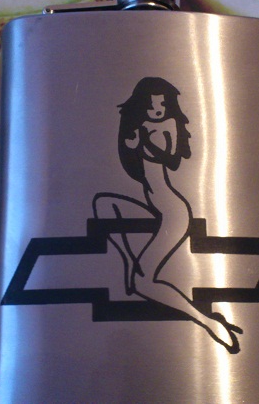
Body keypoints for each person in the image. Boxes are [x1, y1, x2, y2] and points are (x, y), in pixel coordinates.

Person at [93, 77, 241, 353]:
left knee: (143, 284)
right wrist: (136, 142)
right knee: (104, 205)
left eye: (161, 104)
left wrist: (145, 142)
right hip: (155, 206)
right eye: (151, 105)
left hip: (173, 211)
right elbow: (131, 157)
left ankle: (207, 322)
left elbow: (171, 159)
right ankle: (131, 264)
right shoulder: (140, 127)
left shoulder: (169, 125)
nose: (157, 109)